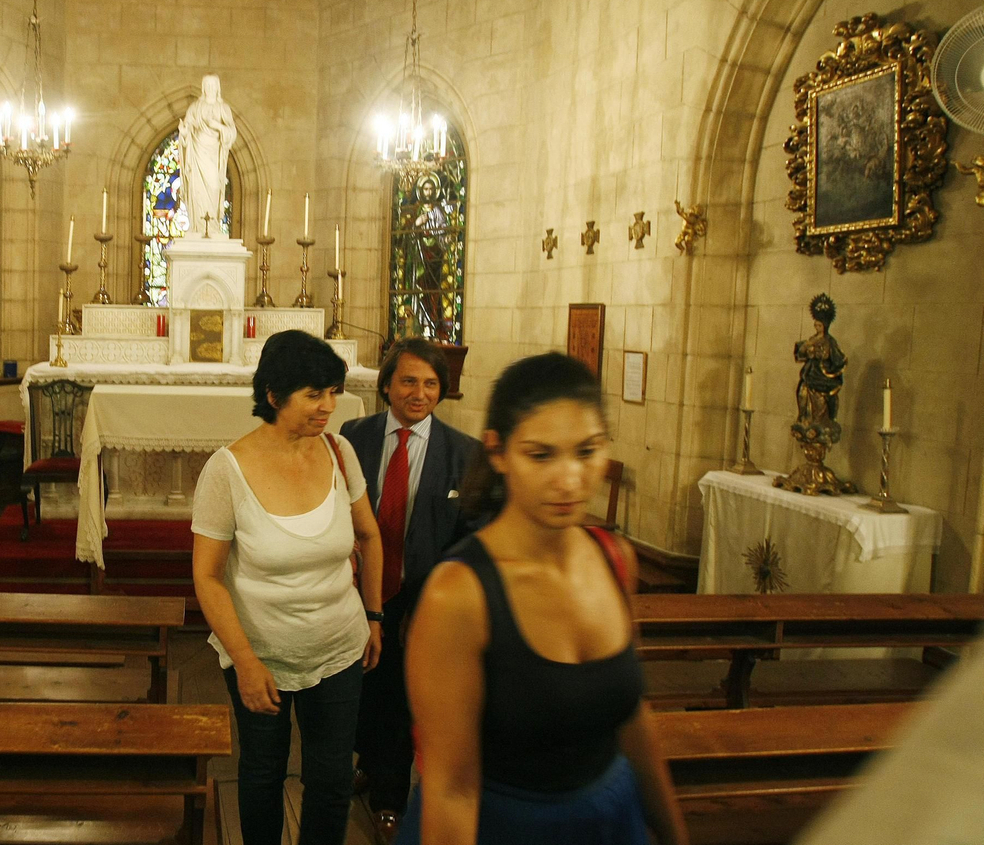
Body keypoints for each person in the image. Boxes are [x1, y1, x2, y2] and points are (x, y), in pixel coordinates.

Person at [399, 352, 687, 845]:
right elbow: (453, 788)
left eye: (587, 451)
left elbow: (629, 713)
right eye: (541, 455)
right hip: (506, 827)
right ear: (497, 453)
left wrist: (674, 834)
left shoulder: (615, 560)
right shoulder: (460, 595)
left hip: (610, 819)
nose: (570, 479)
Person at [192, 329, 385, 845]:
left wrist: (373, 615)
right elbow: (207, 577)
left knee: (331, 780)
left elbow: (369, 535)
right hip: (261, 653)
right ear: (274, 396)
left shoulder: (340, 452)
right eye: (313, 394)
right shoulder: (226, 469)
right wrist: (246, 662)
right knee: (261, 774)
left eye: (332, 393)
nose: (328, 406)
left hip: (340, 649)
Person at [339, 337, 483, 833]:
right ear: (385, 386)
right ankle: (366, 762)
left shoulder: (465, 454)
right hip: (357, 593)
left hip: (420, 599)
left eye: (429, 383)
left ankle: (389, 797)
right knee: (359, 687)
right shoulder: (351, 437)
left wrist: (440, 605)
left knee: (401, 698)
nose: (418, 393)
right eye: (407, 381)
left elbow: (469, 539)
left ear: (441, 390)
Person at [178, 73, 236, 238]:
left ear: (218, 88)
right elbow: (186, 129)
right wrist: (183, 133)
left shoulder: (223, 108)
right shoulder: (195, 107)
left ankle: (213, 226)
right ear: (203, 88)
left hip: (214, 155)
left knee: (213, 186)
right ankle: (197, 226)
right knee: (197, 189)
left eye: (213, 85)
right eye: (207, 85)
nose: (210, 88)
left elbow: (231, 133)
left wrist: (217, 126)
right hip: (197, 154)